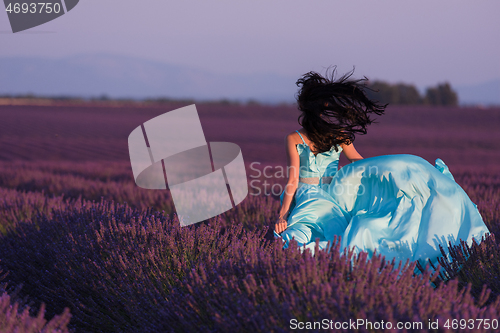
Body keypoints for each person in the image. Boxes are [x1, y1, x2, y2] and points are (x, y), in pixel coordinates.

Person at [273, 68, 490, 270]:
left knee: (297, 239)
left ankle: (314, 270)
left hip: (308, 197)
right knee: (336, 235)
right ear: (326, 109)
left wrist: (282, 216)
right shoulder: (338, 135)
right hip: (334, 195)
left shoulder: (294, 138)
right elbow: (357, 162)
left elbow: (293, 182)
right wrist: (387, 172)